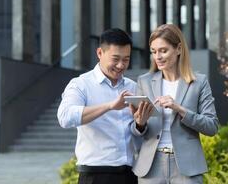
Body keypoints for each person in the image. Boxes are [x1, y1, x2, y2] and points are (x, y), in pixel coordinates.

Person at [130, 24, 219, 184]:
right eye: (154, 51)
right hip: (151, 167)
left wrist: (179, 108)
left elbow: (212, 127)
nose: (158, 57)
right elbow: (135, 131)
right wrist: (139, 124)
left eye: (163, 50)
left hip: (187, 167)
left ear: (178, 49)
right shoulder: (145, 82)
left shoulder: (199, 82)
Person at [57, 28, 137, 184]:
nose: (121, 65)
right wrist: (109, 106)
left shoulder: (133, 87)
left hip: (130, 175)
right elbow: (65, 117)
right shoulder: (81, 84)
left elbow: (140, 132)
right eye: (115, 58)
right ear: (100, 53)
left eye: (126, 59)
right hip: (95, 176)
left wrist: (141, 123)